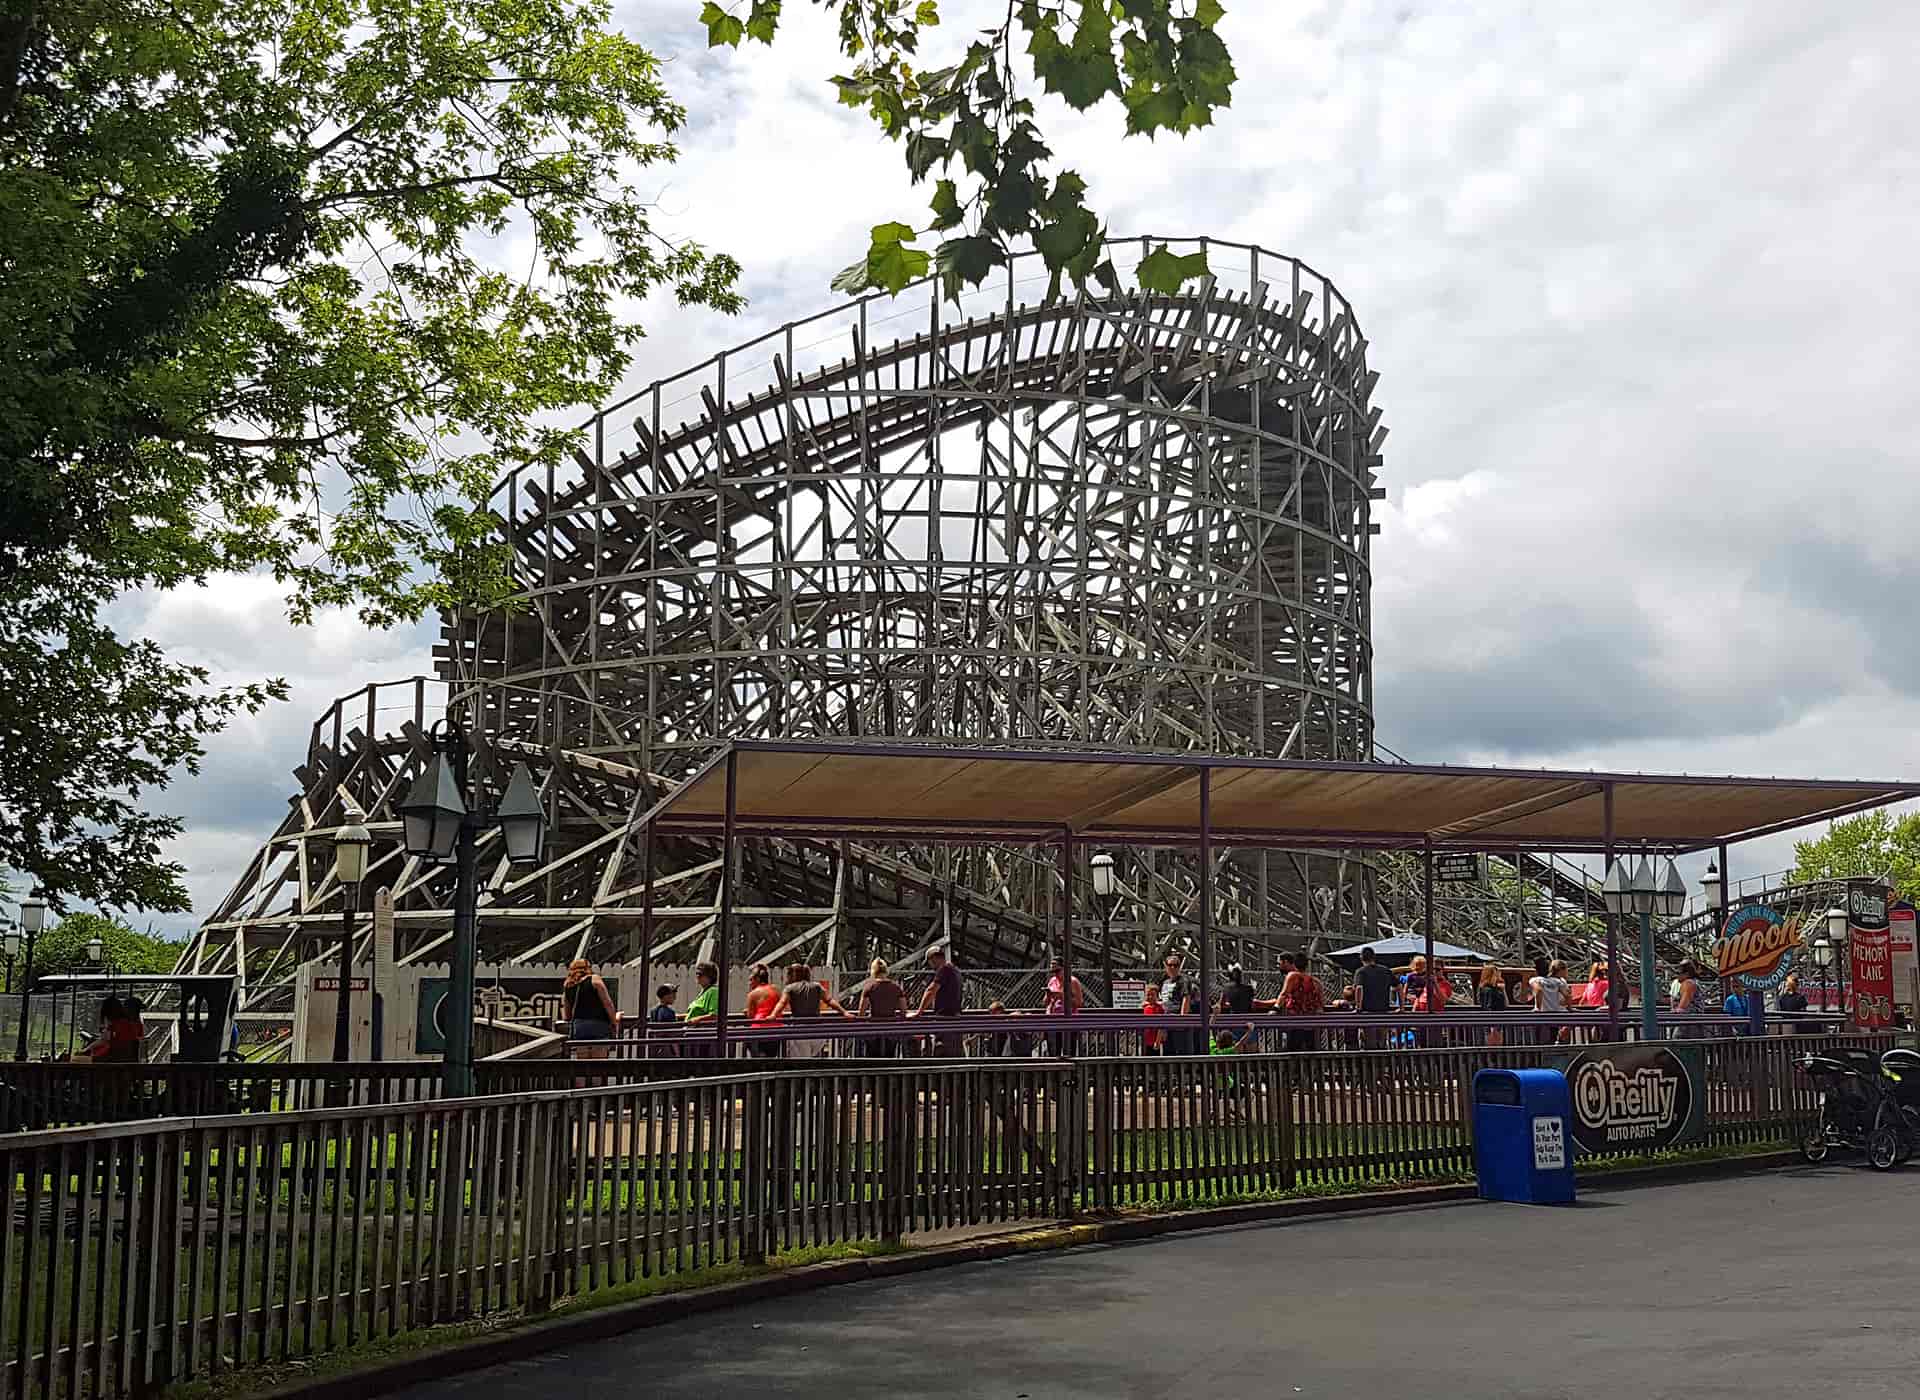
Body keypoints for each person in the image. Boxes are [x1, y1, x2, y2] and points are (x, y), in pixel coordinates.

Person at [562, 958, 620, 1061]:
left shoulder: (568, 985)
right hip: (599, 1024)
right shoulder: (594, 979)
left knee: (583, 1063)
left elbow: (567, 1015)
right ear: (587, 968)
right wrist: (614, 1021)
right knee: (598, 1062)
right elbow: (607, 1003)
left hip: (579, 1027)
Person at [914, 945, 965, 1056]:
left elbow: (931, 990)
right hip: (955, 1018)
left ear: (933, 958)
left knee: (942, 1051)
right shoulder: (955, 970)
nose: (931, 966)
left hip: (945, 1018)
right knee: (954, 1052)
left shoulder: (944, 970)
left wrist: (919, 1012)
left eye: (930, 962)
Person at [857, 957, 906, 1057]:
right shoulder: (896, 988)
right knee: (890, 1056)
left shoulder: (869, 987)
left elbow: (861, 1013)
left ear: (873, 971)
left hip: (873, 1029)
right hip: (891, 1029)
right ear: (886, 971)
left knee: (872, 1057)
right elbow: (903, 1010)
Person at [1159, 951, 1199, 1057]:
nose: (1173, 967)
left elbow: (1186, 999)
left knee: (1182, 1053)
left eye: (1176, 965)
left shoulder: (1184, 980)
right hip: (1167, 1022)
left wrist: (1182, 1021)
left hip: (1178, 1022)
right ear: (1166, 966)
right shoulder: (1165, 982)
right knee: (1168, 1053)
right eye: (1170, 965)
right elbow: (1164, 1002)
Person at [1043, 956, 1086, 1056]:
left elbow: (1079, 1003)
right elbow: (1045, 1002)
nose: (1056, 974)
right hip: (1053, 1020)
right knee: (1053, 1051)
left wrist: (1062, 996)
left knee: (1069, 1051)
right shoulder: (1052, 981)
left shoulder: (1073, 982)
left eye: (1057, 971)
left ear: (1063, 968)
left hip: (1069, 1021)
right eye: (1053, 971)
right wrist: (1048, 995)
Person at [1354, 945, 1394, 1048]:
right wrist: (1401, 1007)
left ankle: (1372, 1057)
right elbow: (1399, 986)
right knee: (1382, 1041)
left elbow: (1359, 988)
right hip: (1383, 1011)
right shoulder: (1386, 970)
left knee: (1370, 1042)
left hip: (1367, 1012)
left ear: (1361, 958)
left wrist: (1358, 1007)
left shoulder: (1361, 972)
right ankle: (1383, 1057)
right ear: (1374, 957)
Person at [745, 963, 782, 1059]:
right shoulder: (776, 990)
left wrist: (746, 1012)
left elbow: (750, 1016)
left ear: (757, 979)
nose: (749, 983)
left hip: (759, 1030)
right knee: (771, 1057)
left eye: (751, 980)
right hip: (776, 1030)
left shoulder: (752, 994)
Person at [1670, 959, 1703, 1036]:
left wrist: (1675, 1011)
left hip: (1687, 1023)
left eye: (1678, 973)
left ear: (1687, 973)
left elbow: (1682, 1007)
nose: (1676, 976)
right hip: (1693, 1022)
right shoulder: (1694, 982)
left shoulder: (1688, 984)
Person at [1477, 965, 1508, 1045]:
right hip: (1492, 1023)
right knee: (1492, 1046)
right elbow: (1487, 1007)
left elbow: (1506, 1004)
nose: (1496, 977)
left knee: (1499, 1045)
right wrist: (1492, 1025)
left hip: (1499, 1020)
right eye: (1495, 975)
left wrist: (1503, 990)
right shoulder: (1487, 990)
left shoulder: (1497, 989)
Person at [646, 983, 680, 1058]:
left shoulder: (653, 1011)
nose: (675, 997)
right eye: (673, 994)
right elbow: (672, 1035)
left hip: (656, 1048)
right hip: (668, 1049)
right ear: (665, 996)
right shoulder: (669, 1012)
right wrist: (677, 1053)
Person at [1140, 980, 1167, 1055]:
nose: (1150, 997)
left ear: (1157, 996)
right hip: (1145, 1040)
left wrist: (1157, 1041)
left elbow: (1160, 1027)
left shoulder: (1159, 1008)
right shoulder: (1145, 1007)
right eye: (1148, 995)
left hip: (1154, 1041)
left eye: (1152, 995)